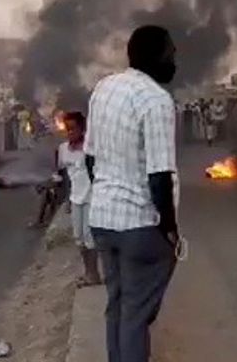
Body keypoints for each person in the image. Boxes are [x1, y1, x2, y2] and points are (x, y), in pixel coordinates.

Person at [85, 25, 179, 362]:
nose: (174, 61)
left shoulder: (104, 89)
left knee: (119, 306)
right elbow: (159, 176)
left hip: (102, 221)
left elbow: (90, 158)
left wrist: (107, 192)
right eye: (171, 54)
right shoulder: (156, 100)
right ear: (156, 56)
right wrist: (170, 227)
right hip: (139, 224)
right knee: (137, 315)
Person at [57, 111, 102, 288]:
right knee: (79, 239)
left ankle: (94, 274)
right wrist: (67, 200)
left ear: (82, 129)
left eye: (73, 129)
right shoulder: (62, 150)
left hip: (92, 197)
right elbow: (65, 177)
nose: (70, 132)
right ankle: (88, 272)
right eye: (67, 129)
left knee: (90, 238)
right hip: (76, 198)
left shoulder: (90, 149)